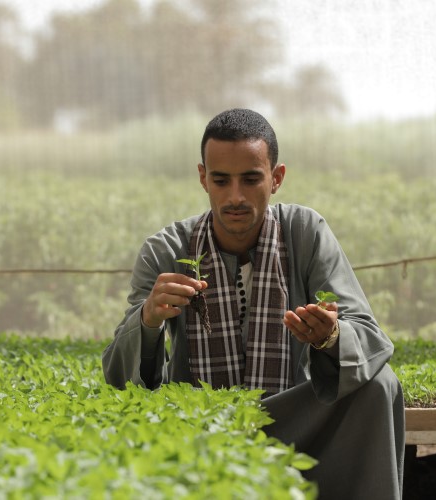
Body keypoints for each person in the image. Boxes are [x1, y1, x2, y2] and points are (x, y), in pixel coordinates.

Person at [103, 108, 405, 499]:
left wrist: (331, 338)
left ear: (276, 178)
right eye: (221, 180)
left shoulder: (305, 233)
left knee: (380, 383)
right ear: (202, 178)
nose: (235, 197)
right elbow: (119, 377)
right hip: (197, 427)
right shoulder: (166, 250)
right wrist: (148, 321)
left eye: (251, 179)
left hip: (295, 425)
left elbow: (367, 335)